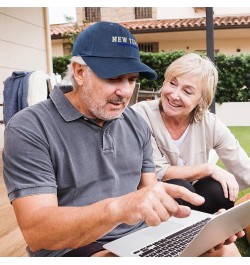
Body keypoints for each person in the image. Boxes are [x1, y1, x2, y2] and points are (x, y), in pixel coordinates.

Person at [3, 22, 243, 258]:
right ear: (79, 72)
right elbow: (38, 233)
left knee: (226, 250)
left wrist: (196, 229)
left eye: (131, 79)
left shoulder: (135, 122)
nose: (126, 92)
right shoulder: (30, 127)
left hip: (141, 237)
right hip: (79, 247)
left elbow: (150, 191)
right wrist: (119, 208)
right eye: (114, 78)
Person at [132, 53, 250, 214]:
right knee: (178, 186)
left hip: (196, 197)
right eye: (172, 84)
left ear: (201, 100)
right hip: (152, 197)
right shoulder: (141, 114)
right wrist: (209, 168)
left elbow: (244, 168)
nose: (174, 95)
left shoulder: (210, 123)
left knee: (219, 188)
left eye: (187, 92)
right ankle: (194, 231)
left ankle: (209, 227)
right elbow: (157, 172)